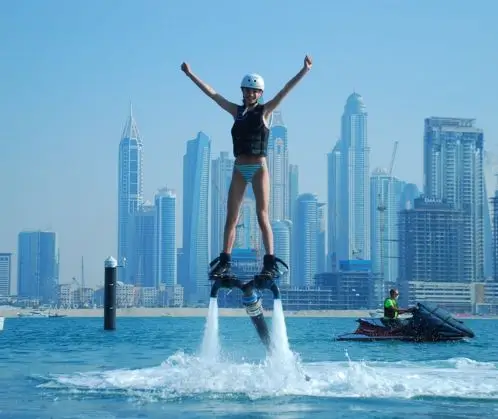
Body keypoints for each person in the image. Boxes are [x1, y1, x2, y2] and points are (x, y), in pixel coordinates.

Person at [181, 56, 312, 279]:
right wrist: (190, 74)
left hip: (259, 168)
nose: (250, 94)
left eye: (254, 91)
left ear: (260, 93)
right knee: (231, 217)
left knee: (262, 215)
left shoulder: (265, 111)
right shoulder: (236, 112)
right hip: (239, 169)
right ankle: (225, 261)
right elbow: (213, 94)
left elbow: (284, 90)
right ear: (242, 92)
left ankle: (269, 262)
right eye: (247, 90)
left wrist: (304, 70)